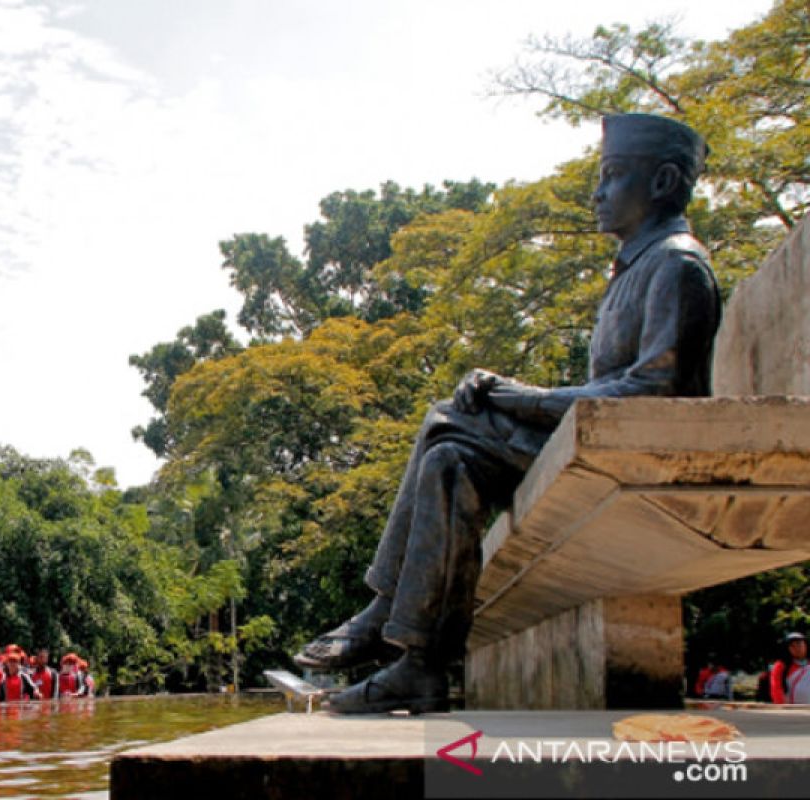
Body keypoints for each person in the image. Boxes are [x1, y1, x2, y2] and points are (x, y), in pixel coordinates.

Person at [296, 113, 721, 715]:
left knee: (448, 417)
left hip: (648, 452)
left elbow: (654, 393)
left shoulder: (677, 265)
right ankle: (418, 667)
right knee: (449, 461)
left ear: (663, 182)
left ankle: (384, 608)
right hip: (602, 441)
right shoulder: (637, 267)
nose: (597, 194)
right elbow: (610, 389)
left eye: (613, 176)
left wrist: (515, 396)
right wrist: (514, 393)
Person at [770, 632, 810, 704]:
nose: (796, 648)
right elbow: (776, 688)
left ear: (805, 645)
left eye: (799, 644)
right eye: (792, 646)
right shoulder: (781, 666)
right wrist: (782, 708)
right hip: (792, 710)